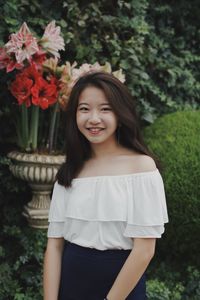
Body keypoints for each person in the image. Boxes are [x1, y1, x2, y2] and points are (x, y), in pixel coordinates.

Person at [43, 71, 168, 300]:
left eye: (105, 109)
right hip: (71, 285)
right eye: (84, 109)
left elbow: (144, 250)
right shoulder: (70, 171)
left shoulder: (141, 168)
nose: (93, 119)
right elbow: (55, 246)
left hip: (122, 289)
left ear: (120, 114)